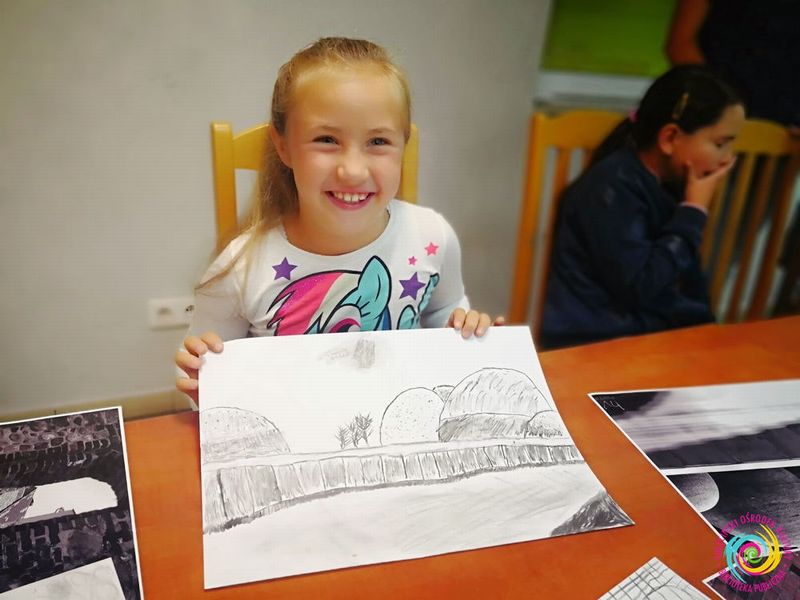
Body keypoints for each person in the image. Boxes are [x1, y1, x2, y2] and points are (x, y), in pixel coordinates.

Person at [175, 37, 502, 403]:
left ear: (403, 145)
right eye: (327, 139)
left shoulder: (433, 236)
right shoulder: (239, 269)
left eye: (378, 142)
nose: (353, 171)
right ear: (283, 146)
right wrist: (203, 386)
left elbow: (442, 309)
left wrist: (465, 329)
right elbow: (202, 381)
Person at [540, 65, 745, 349]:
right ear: (670, 138)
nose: (727, 159)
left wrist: (708, 335)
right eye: (721, 144)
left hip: (649, 339)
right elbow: (641, 287)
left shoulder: (671, 184)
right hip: (596, 345)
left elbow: (690, 290)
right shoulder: (612, 186)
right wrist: (693, 211)